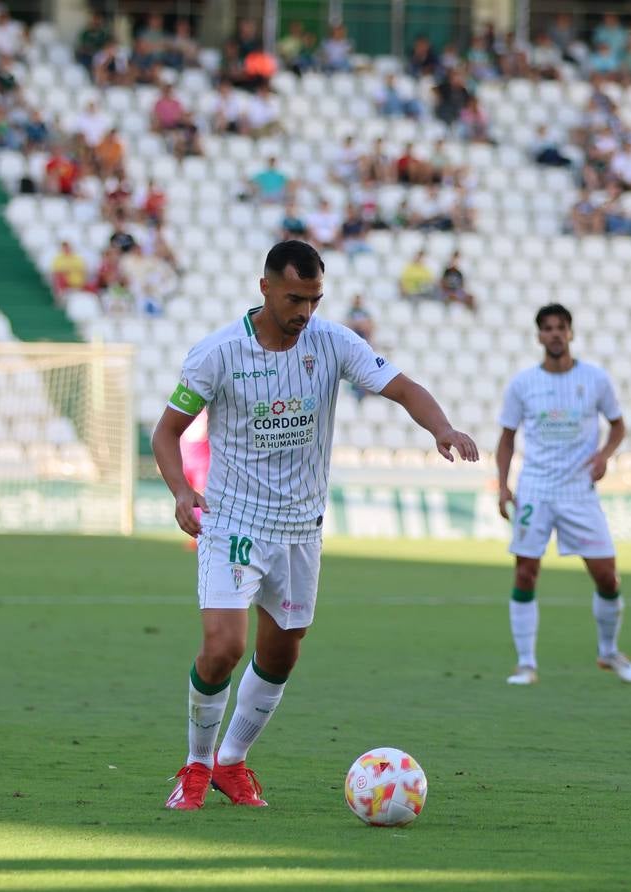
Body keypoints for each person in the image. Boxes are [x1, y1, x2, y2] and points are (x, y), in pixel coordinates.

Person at [154, 240, 478, 810]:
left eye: (314, 299)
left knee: (282, 654)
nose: (305, 311)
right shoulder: (217, 353)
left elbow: (401, 387)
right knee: (223, 646)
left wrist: (442, 428)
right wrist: (182, 491)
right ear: (265, 288)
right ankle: (195, 766)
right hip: (235, 523)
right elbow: (166, 432)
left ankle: (233, 762)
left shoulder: (331, 342)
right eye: (295, 298)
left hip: (302, 529)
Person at [496, 304, 631, 687]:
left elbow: (618, 427)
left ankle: (609, 652)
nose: (555, 334)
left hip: (579, 491)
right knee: (526, 572)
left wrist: (604, 455)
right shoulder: (523, 384)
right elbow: (506, 438)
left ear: (571, 333)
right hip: (536, 490)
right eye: (548, 328)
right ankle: (526, 663)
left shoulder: (595, 379)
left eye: (561, 327)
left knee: (607, 576)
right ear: (539, 336)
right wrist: (502, 485)